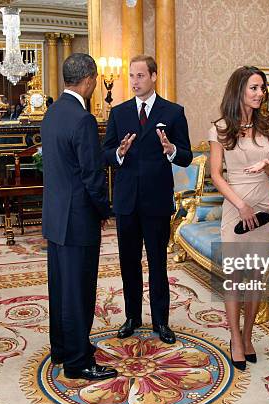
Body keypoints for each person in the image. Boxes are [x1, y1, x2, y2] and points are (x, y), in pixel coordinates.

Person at [102, 55, 192, 344]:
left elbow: (187, 156)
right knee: (129, 263)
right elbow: (105, 153)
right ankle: (132, 317)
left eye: (140, 76)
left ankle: (161, 322)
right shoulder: (119, 113)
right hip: (127, 202)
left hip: (156, 201)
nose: (134, 82)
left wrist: (171, 149)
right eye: (131, 76)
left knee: (157, 264)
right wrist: (119, 152)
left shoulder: (174, 112)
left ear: (154, 76)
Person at [41, 53, 117, 381]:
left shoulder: (53, 113)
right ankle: (77, 361)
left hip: (56, 218)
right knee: (79, 291)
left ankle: (61, 347)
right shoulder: (83, 118)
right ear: (88, 80)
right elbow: (91, 175)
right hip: (78, 219)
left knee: (60, 286)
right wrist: (105, 210)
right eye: (96, 79)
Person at [208, 66, 269, 371]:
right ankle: (235, 339)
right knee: (234, 276)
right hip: (236, 205)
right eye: (254, 88)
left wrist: (266, 164)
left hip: (265, 205)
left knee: (255, 278)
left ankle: (248, 337)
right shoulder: (220, 128)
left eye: (262, 88)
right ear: (239, 89)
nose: (260, 93)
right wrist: (240, 205)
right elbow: (215, 175)